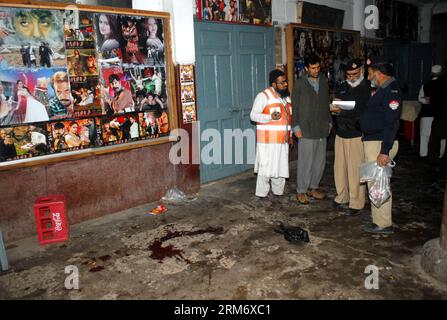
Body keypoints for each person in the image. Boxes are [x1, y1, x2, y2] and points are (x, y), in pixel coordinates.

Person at [360, 62, 402, 235]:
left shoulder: (392, 92)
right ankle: (378, 220)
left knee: (379, 183)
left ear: (378, 73)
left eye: (370, 73)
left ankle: (383, 223)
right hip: (374, 141)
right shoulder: (384, 90)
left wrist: (385, 151)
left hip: (380, 143)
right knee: (375, 182)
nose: (368, 77)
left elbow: (392, 123)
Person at [330, 58, 370, 216]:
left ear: (361, 70)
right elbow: (337, 103)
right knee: (339, 168)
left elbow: (363, 110)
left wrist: (342, 111)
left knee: (355, 169)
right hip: (340, 133)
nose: (352, 77)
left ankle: (356, 201)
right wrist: (334, 107)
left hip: (356, 133)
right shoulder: (342, 86)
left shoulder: (367, 87)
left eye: (355, 74)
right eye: (349, 74)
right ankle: (342, 196)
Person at [292, 55, 332, 205]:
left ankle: (313, 188)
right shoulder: (300, 84)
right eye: (313, 68)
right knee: (305, 162)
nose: (316, 71)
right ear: (307, 69)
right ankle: (301, 190)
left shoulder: (324, 81)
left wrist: (329, 122)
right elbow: (294, 107)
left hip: (322, 127)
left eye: (318, 68)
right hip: (305, 128)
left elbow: (326, 102)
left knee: (319, 161)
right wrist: (295, 126)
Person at [250, 69, 292, 199]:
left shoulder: (286, 98)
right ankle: (262, 194)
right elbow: (253, 115)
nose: (285, 84)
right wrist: (269, 116)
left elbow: (288, 118)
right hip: (268, 141)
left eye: (286, 81)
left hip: (282, 140)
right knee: (266, 168)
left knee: (280, 166)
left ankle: (278, 192)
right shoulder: (264, 96)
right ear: (274, 84)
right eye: (282, 82)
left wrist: (290, 136)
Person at [419, 65, 445, 158]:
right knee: (441, 137)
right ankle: (440, 155)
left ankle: (423, 154)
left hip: (427, 113)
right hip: (440, 115)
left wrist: (429, 100)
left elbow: (420, 98)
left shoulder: (426, 85)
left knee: (424, 136)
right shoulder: (443, 86)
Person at [426, 64, 447, 163]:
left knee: (435, 140)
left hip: (439, 115)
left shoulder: (432, 84)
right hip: (441, 115)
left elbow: (429, 100)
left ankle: (433, 160)